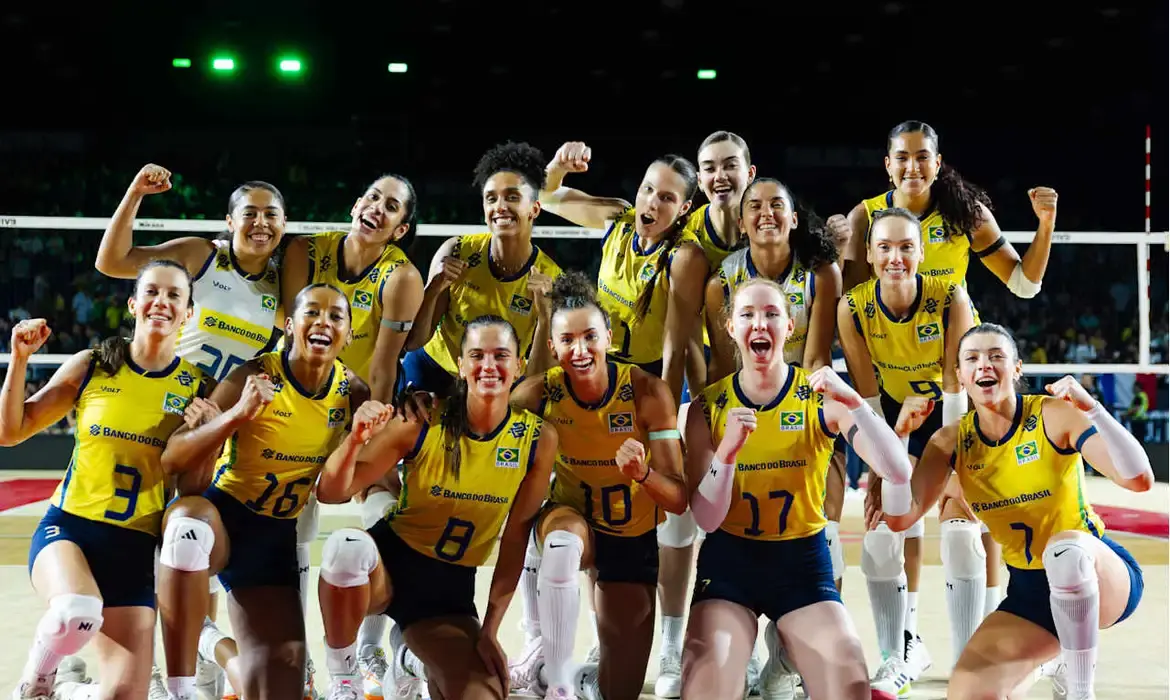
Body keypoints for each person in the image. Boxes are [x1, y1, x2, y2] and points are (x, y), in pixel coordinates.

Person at [94, 164, 289, 697]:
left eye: (271, 214)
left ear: (284, 224)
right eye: (249, 212)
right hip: (160, 408)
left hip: (218, 423)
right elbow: (111, 261)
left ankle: (199, 667)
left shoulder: (283, 288)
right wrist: (135, 192)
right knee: (133, 536)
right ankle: (134, 664)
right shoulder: (202, 256)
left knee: (192, 542)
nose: (260, 223)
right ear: (229, 220)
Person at [879, 323, 1151, 699]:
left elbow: (1138, 479)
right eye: (972, 358)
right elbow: (899, 518)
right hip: (1029, 591)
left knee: (1065, 551)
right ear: (960, 375)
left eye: (996, 356)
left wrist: (1093, 409)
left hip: (1098, 575)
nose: (984, 365)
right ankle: (1050, 660)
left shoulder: (1052, 414)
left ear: (1017, 368)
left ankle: (1080, 691)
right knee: (967, 693)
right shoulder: (950, 440)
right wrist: (899, 437)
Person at [680, 277, 913, 699]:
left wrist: (856, 403)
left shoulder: (820, 395)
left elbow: (897, 471)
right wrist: (726, 455)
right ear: (731, 328)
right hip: (730, 564)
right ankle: (759, 657)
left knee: (848, 690)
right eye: (747, 315)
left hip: (801, 563)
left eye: (772, 314)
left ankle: (785, 657)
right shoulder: (707, 407)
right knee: (707, 691)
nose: (760, 323)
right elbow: (707, 518)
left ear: (789, 327)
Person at [313, 315, 559, 700]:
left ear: (519, 365)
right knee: (346, 547)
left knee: (483, 694)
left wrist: (490, 629)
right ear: (460, 365)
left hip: (448, 590)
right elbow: (330, 493)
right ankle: (345, 678)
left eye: (500, 355)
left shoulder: (536, 439)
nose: (488, 365)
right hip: (390, 565)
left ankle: (407, 661)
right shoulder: (423, 418)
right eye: (476, 355)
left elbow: (515, 538)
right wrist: (355, 440)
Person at [539, 143, 709, 697]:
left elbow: (676, 343)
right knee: (594, 504)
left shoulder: (684, 257)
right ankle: (592, 638)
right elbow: (546, 196)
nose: (651, 203)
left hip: (646, 388)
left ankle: (671, 643)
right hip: (594, 375)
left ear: (684, 209)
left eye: (667, 198)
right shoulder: (615, 219)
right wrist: (559, 167)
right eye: (647, 190)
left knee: (667, 517)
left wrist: (667, 416)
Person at [1, 261, 209, 700]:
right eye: (152, 291)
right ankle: (35, 682)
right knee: (74, 611)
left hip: (135, 548)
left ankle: (66, 689)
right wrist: (19, 360)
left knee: (126, 695)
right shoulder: (93, 365)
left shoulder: (197, 388)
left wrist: (206, 438)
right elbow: (11, 431)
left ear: (189, 313)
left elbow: (191, 490)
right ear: (133, 304)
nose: (162, 302)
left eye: (175, 295)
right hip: (70, 531)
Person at [154, 284, 368, 700]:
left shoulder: (353, 393)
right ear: (289, 325)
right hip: (221, 515)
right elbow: (174, 457)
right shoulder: (254, 375)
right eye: (311, 312)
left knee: (278, 687)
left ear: (348, 334)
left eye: (335, 316)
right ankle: (181, 688)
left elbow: (335, 492)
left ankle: (208, 640)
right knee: (185, 528)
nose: (323, 322)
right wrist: (236, 415)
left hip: (273, 540)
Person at [504, 272, 688, 700]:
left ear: (609, 337)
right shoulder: (538, 394)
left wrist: (643, 474)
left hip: (630, 537)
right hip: (574, 521)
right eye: (567, 340)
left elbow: (679, 500)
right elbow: (479, 413)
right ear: (553, 348)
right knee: (561, 544)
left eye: (590, 337)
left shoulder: (646, 391)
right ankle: (554, 672)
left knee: (618, 691)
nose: (580, 350)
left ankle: (581, 679)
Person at [280, 174, 426, 696]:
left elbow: (385, 365)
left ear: (400, 228)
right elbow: (288, 332)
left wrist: (371, 427)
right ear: (355, 204)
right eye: (372, 197)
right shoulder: (304, 251)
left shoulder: (401, 276)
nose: (377, 208)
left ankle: (372, 645)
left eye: (391, 206)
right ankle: (296, 657)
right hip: (299, 397)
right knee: (293, 514)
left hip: (358, 401)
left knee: (384, 504)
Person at [837, 207, 976, 693]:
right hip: (899, 417)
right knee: (880, 536)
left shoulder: (950, 297)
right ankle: (897, 654)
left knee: (962, 531)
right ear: (869, 254)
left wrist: (958, 470)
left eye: (906, 247)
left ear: (921, 252)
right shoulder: (853, 307)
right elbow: (868, 398)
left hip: (959, 414)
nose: (895, 257)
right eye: (885, 248)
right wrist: (880, 467)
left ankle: (969, 661)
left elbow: (957, 389)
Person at [402, 142, 563, 395]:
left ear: (534, 209)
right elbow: (413, 342)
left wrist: (545, 316)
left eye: (512, 197)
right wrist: (434, 288)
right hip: (434, 369)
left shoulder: (552, 279)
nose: (500, 206)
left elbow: (540, 381)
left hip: (496, 380)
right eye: (491, 198)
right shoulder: (456, 250)